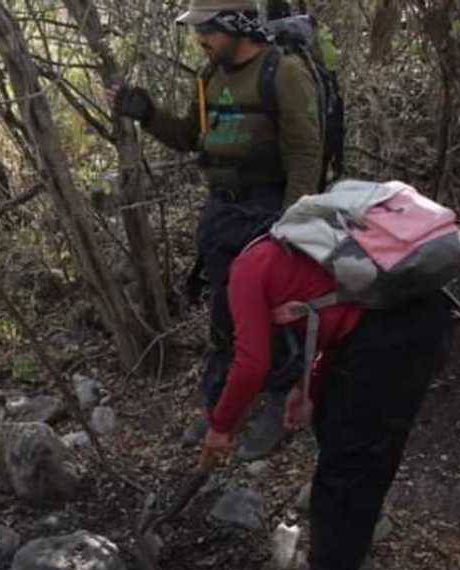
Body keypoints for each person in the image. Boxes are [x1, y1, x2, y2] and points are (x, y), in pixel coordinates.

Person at [199, 238, 451, 570]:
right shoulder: (284, 251)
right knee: (346, 440)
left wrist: (220, 425)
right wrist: (309, 390)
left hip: (393, 336)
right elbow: (330, 319)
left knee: (348, 465)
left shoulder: (244, 277)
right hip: (412, 318)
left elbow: (251, 364)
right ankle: (347, 547)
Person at [111, 0, 324, 461]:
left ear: (234, 25)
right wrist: (147, 113)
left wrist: (290, 227)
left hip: (269, 209)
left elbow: (306, 154)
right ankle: (221, 406)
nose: (199, 40)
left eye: (205, 30)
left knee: (273, 317)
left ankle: (277, 404)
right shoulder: (210, 76)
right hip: (221, 213)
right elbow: (191, 135)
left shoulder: (282, 72)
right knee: (225, 314)